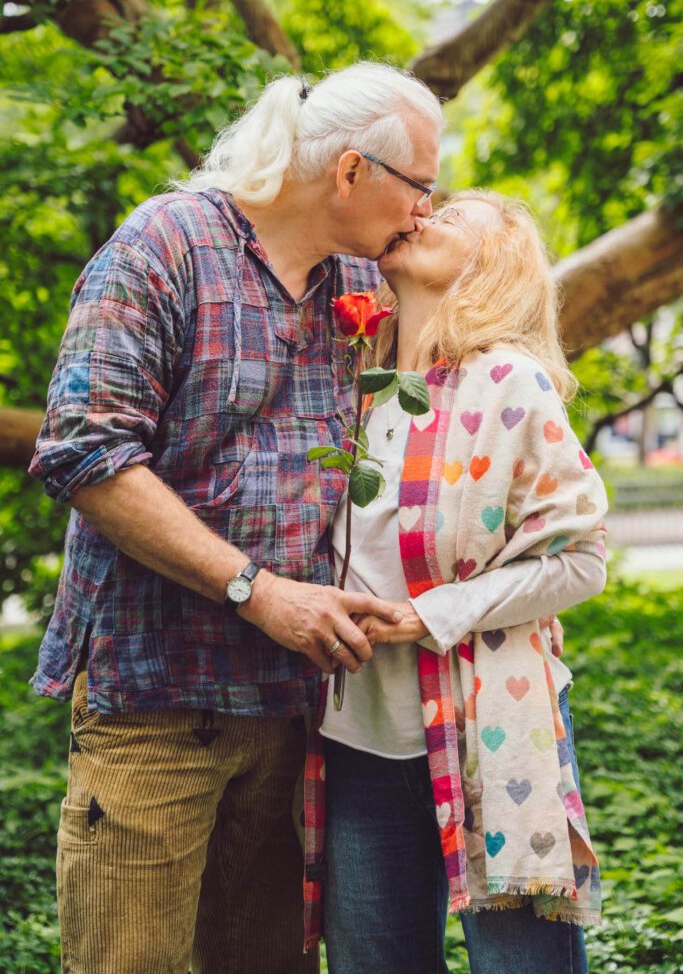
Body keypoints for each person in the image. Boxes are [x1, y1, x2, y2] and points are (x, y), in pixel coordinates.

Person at [27, 62, 444, 974]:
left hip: (296, 713)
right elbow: (85, 453)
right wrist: (258, 591)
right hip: (156, 701)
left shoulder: (356, 287)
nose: (424, 212)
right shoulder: (167, 242)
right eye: (422, 186)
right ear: (349, 173)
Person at [307, 190, 608, 974]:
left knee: (521, 965)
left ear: (489, 266)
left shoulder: (509, 383)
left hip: (489, 722)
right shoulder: (345, 377)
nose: (420, 214)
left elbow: (582, 557)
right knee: (375, 961)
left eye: (450, 217)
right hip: (355, 738)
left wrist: (431, 614)